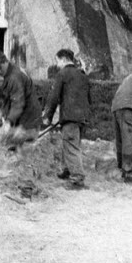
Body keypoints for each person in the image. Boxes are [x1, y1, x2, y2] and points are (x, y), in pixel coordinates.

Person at [41, 49, 90, 190]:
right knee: (70, 144)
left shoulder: (62, 74)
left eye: (57, 61)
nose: (57, 65)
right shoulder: (82, 75)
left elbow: (54, 97)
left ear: (63, 59)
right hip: (82, 117)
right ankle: (66, 170)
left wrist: (47, 117)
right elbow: (88, 98)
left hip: (70, 117)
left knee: (71, 146)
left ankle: (77, 179)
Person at [0, 51, 42, 154]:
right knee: (11, 146)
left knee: (19, 151)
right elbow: (11, 94)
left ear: (4, 62)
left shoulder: (14, 77)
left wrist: (8, 122)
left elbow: (18, 102)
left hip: (28, 121)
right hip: (27, 119)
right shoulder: (12, 72)